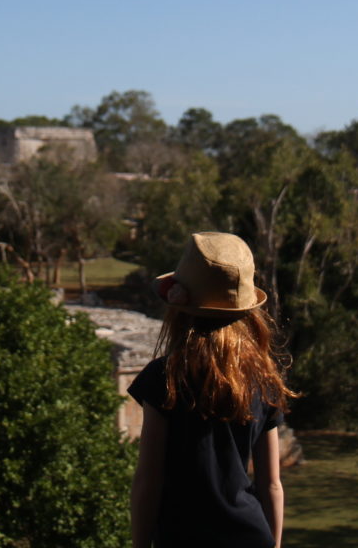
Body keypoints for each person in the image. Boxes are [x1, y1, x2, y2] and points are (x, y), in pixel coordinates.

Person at [129, 232, 296, 548]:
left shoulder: (165, 377)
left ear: (178, 307)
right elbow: (271, 484)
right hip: (250, 535)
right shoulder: (263, 380)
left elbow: (148, 480)